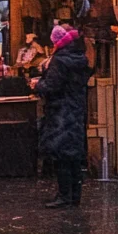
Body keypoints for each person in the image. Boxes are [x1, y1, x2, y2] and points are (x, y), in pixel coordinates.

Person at [36, 24, 92, 208]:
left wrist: (37, 85)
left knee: (60, 154)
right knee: (73, 155)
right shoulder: (79, 58)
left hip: (60, 112)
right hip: (75, 111)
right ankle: (75, 195)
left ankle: (64, 195)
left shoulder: (59, 61)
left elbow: (52, 86)